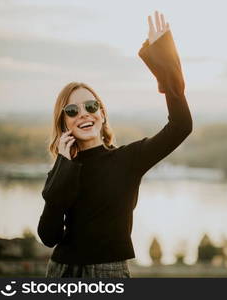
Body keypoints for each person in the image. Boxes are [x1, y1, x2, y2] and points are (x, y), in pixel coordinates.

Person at [37, 11, 192, 278]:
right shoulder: (63, 169)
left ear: (102, 113)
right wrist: (64, 165)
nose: (83, 113)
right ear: (64, 124)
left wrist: (163, 56)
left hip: (108, 272)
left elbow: (181, 126)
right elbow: (49, 236)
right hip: (61, 272)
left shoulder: (129, 159)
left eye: (91, 106)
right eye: (72, 111)